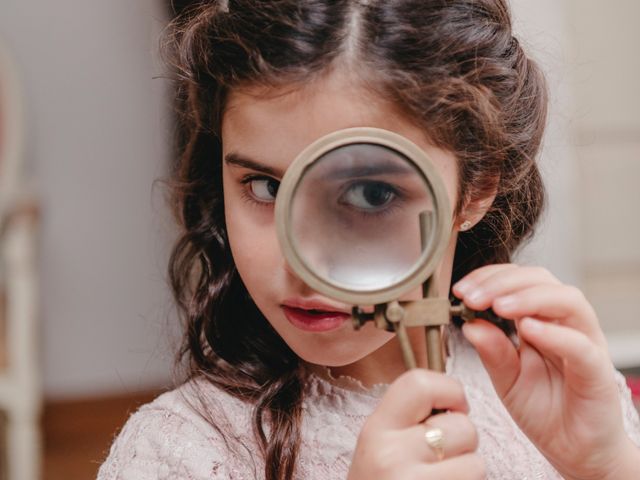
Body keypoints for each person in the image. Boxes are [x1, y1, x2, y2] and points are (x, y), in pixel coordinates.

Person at [97, 1, 640, 479]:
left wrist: (608, 466)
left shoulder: (562, 397)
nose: (304, 260)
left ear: (476, 188)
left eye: (372, 196)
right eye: (265, 187)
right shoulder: (176, 455)